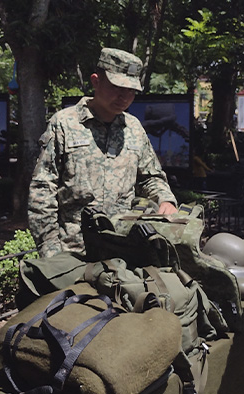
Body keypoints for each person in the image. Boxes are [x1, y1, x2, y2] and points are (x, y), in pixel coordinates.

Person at [28, 47, 177, 257]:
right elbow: (42, 190)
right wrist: (51, 251)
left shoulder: (134, 129)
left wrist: (165, 199)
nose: (125, 96)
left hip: (123, 249)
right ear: (96, 81)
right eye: (118, 87)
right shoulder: (64, 124)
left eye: (131, 90)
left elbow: (150, 177)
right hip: (73, 252)